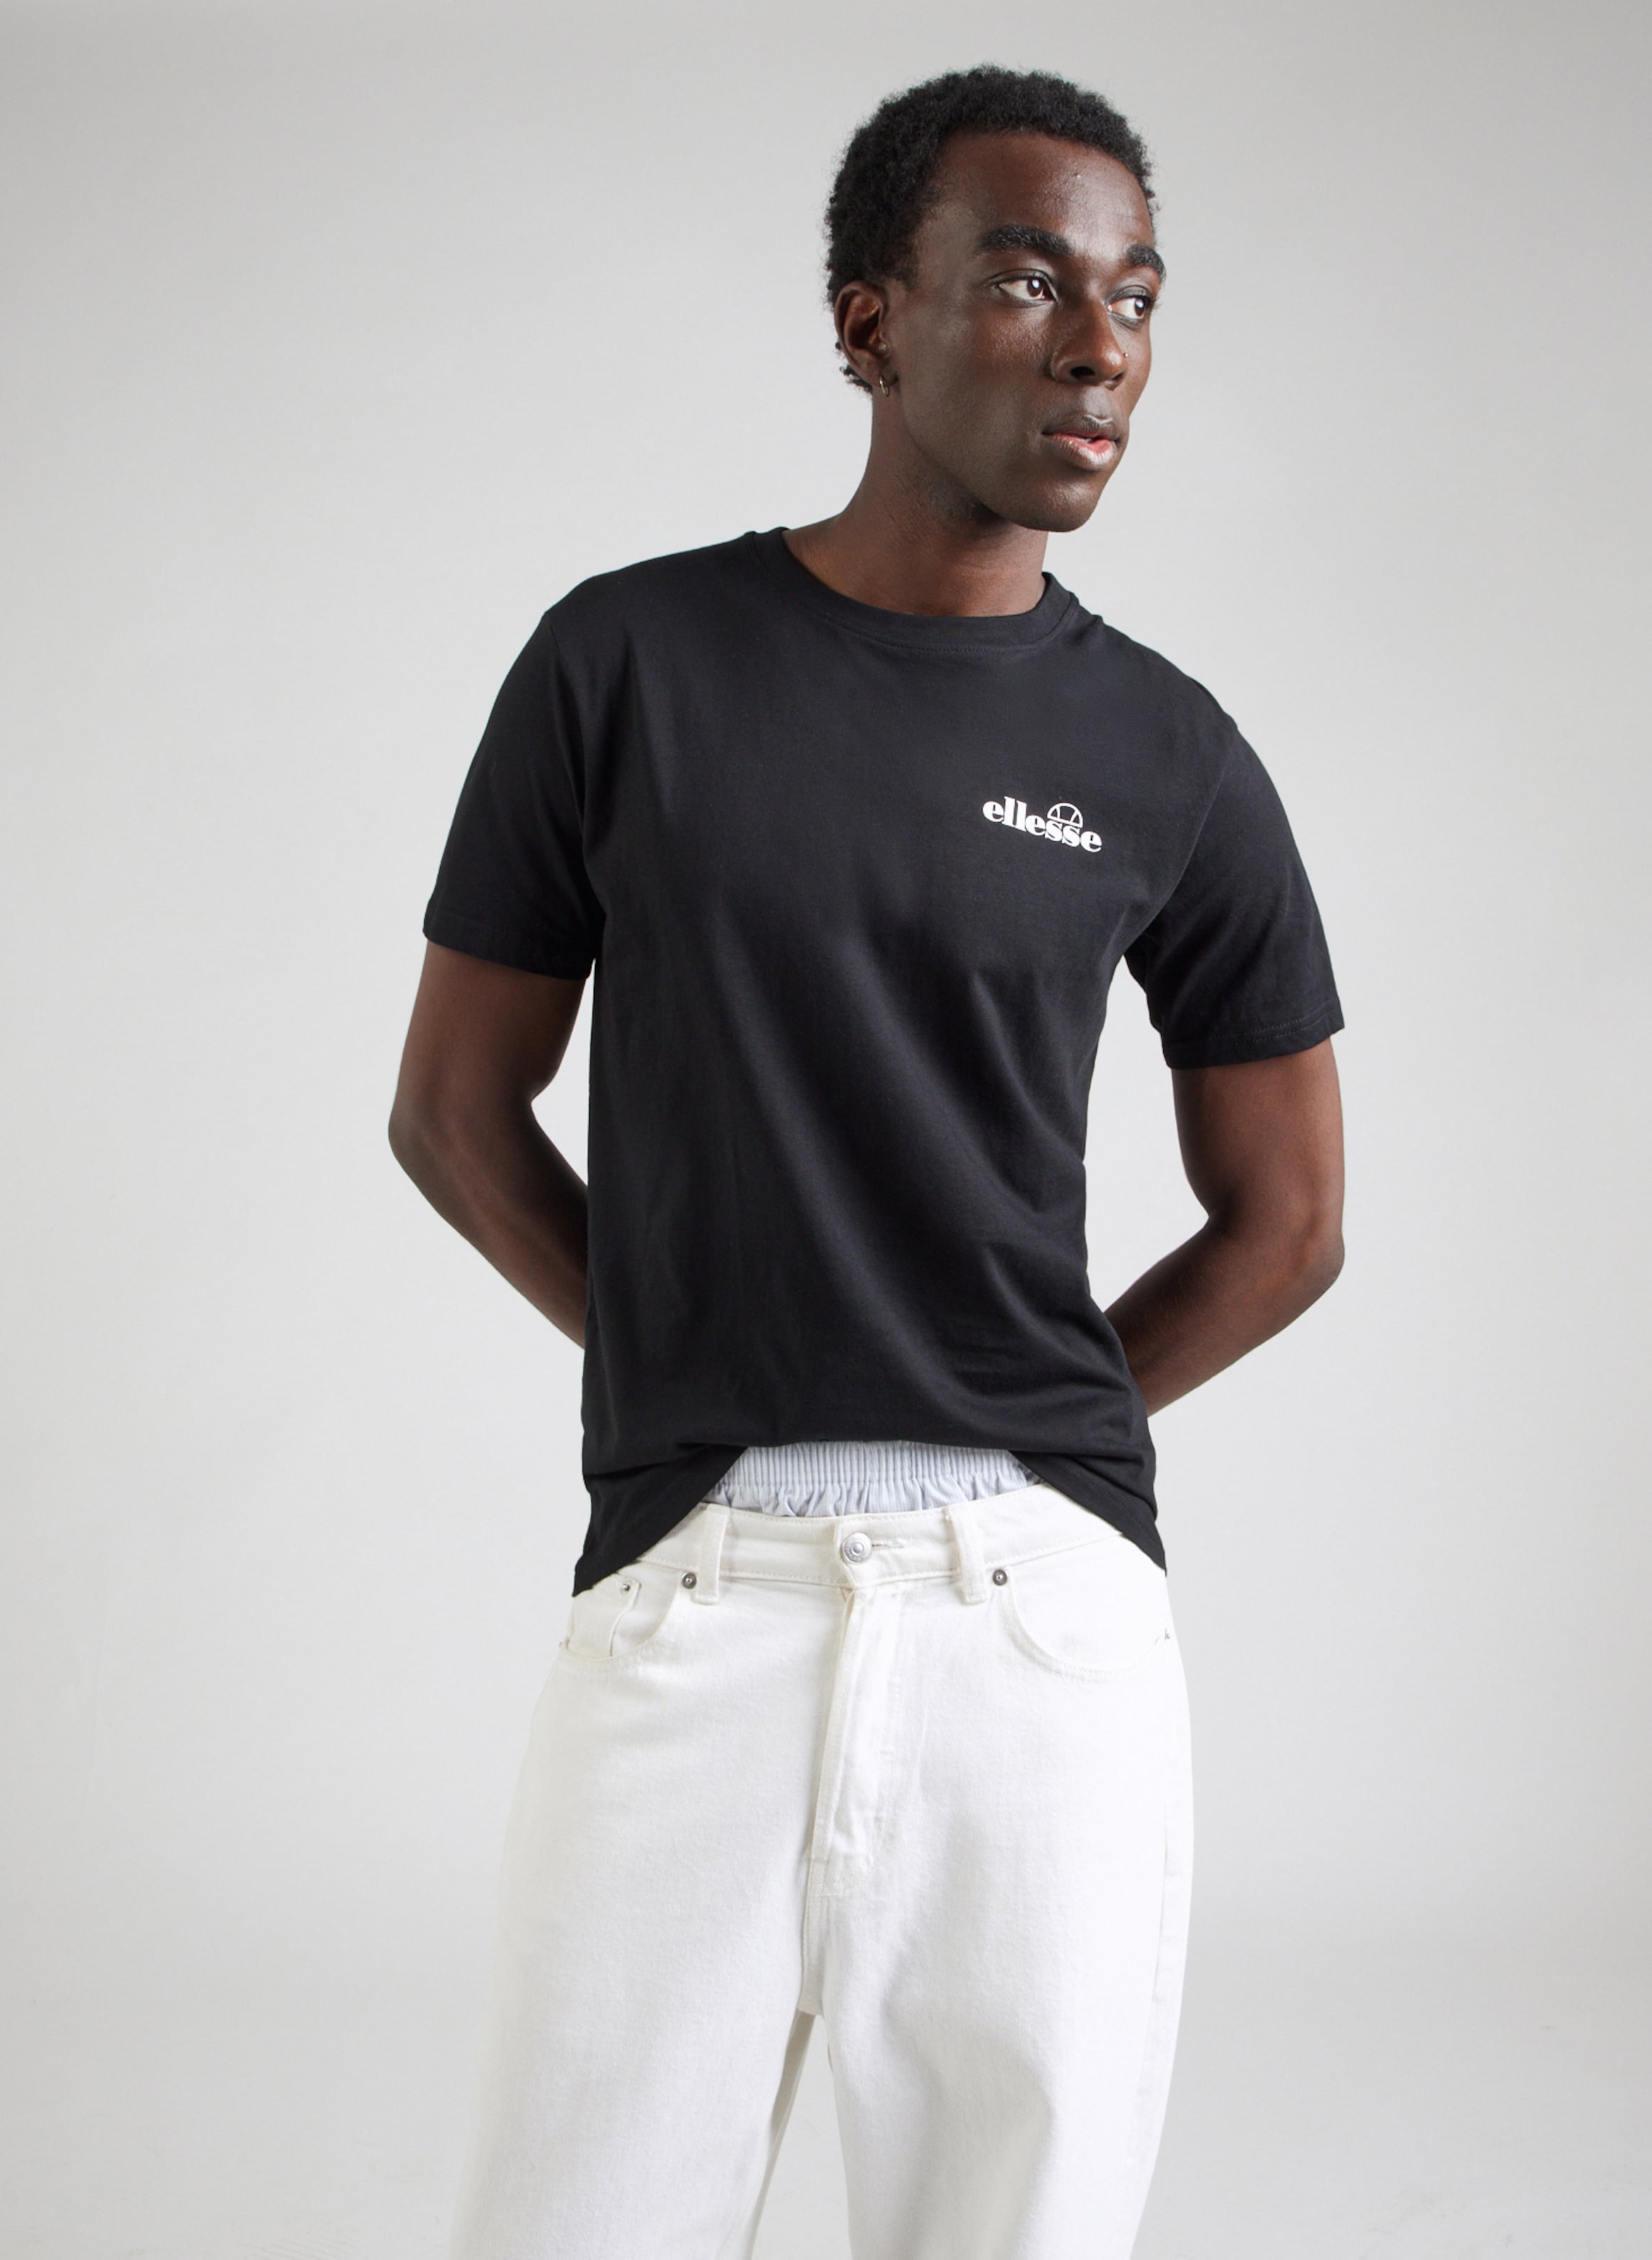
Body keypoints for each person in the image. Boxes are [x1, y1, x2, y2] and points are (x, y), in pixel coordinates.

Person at [389, 64, 1344, 2260]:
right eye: (1025, 281)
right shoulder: (629, 663)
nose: (1099, 347)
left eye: (1135, 296)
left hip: (1042, 1632)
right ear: (868, 321)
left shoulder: (1169, 751)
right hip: (692, 1591)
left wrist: (1019, 1413)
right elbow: (451, 1109)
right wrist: (698, 1346)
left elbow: (1293, 1219)